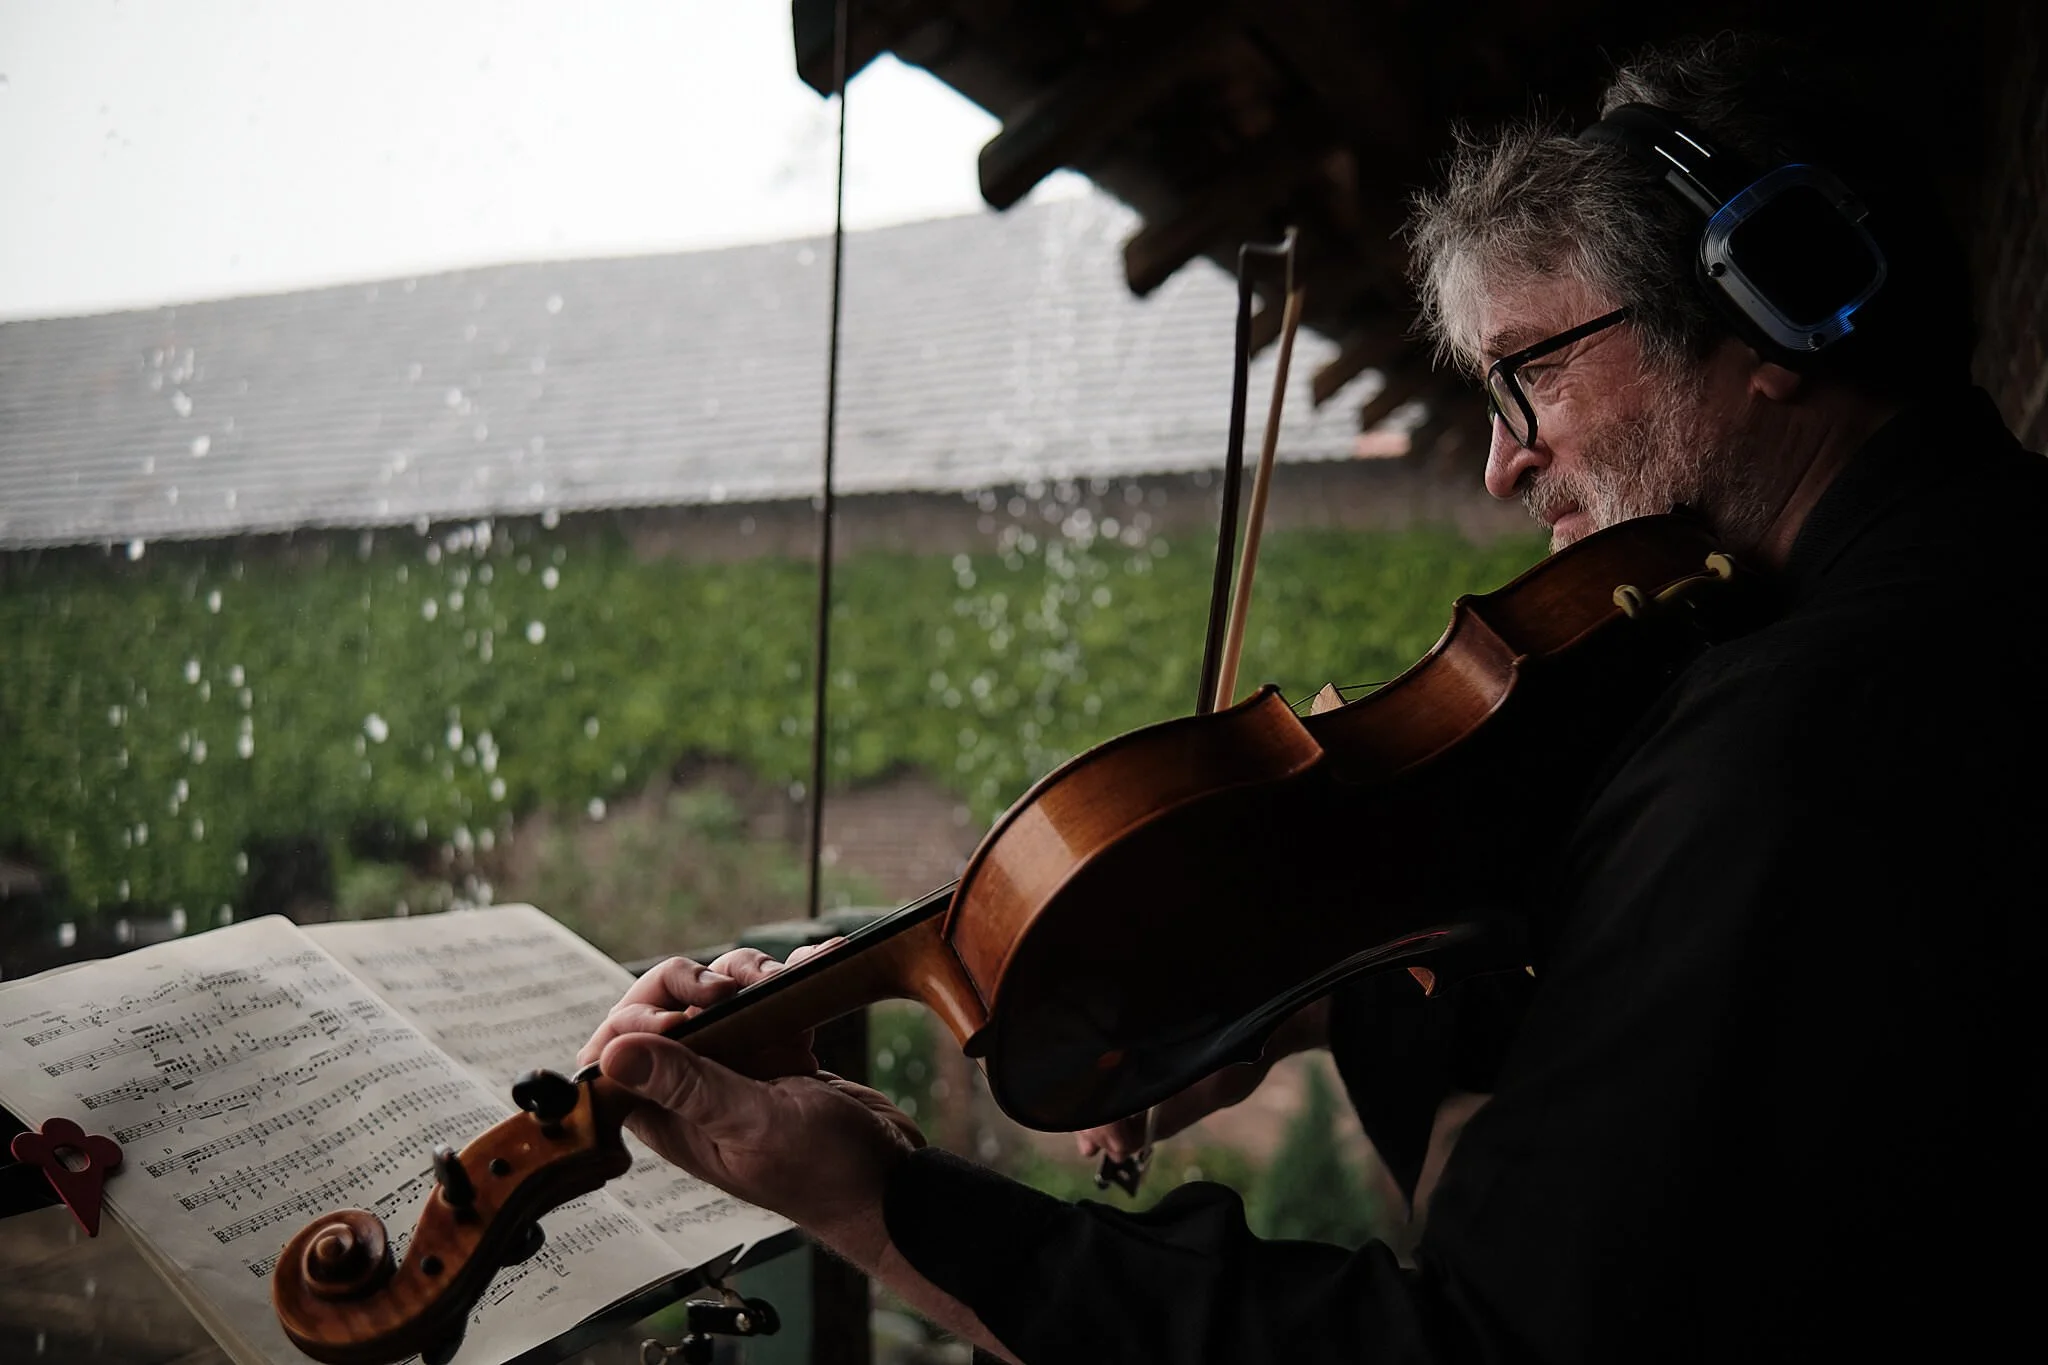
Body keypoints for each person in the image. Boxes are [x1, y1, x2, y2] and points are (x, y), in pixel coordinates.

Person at [578, 33, 2047, 1362]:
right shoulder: (1961, 584)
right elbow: (1697, 1075)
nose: (1504, 464)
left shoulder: (1804, 744)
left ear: (1775, 308)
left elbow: (1479, 1343)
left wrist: (881, 1203)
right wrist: (1299, 992)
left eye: (1526, 376)